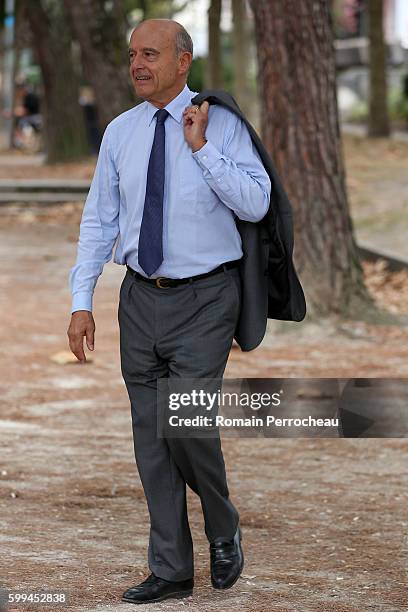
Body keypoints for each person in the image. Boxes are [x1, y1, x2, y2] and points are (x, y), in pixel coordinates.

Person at [67, 18, 271, 605]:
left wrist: (202, 149)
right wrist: (82, 301)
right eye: (134, 54)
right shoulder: (119, 133)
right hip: (139, 298)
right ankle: (172, 569)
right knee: (150, 440)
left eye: (150, 54)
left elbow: (256, 204)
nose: (138, 63)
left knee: (186, 421)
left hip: (206, 297)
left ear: (183, 62)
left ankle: (222, 519)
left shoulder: (221, 122)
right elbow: (99, 221)